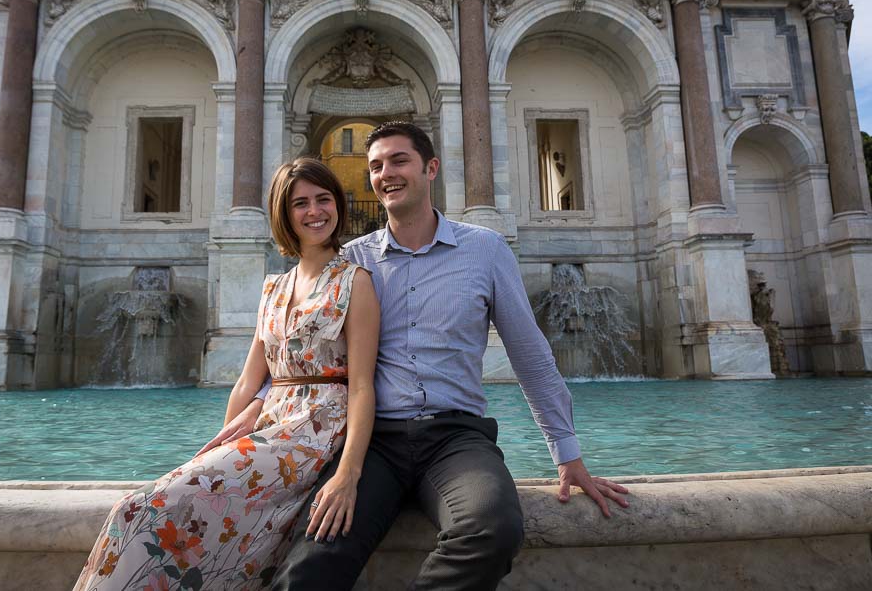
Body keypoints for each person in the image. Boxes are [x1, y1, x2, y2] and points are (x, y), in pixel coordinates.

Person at [221, 122, 630, 590]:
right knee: (313, 557)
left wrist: (567, 453)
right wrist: (259, 402)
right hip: (371, 441)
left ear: (430, 168)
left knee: (493, 529)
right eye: (375, 166)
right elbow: (306, 353)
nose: (385, 174)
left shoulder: (485, 250)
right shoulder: (351, 261)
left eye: (398, 161)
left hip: (456, 437)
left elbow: (531, 357)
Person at [73, 158, 379, 591]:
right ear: (283, 213)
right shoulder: (274, 286)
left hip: (316, 433)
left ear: (338, 206)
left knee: (142, 507)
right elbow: (248, 380)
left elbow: (363, 386)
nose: (315, 211)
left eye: (323, 200)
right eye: (300, 203)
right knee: (135, 507)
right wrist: (221, 450)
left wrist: (349, 474)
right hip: (272, 426)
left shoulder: (355, 281)